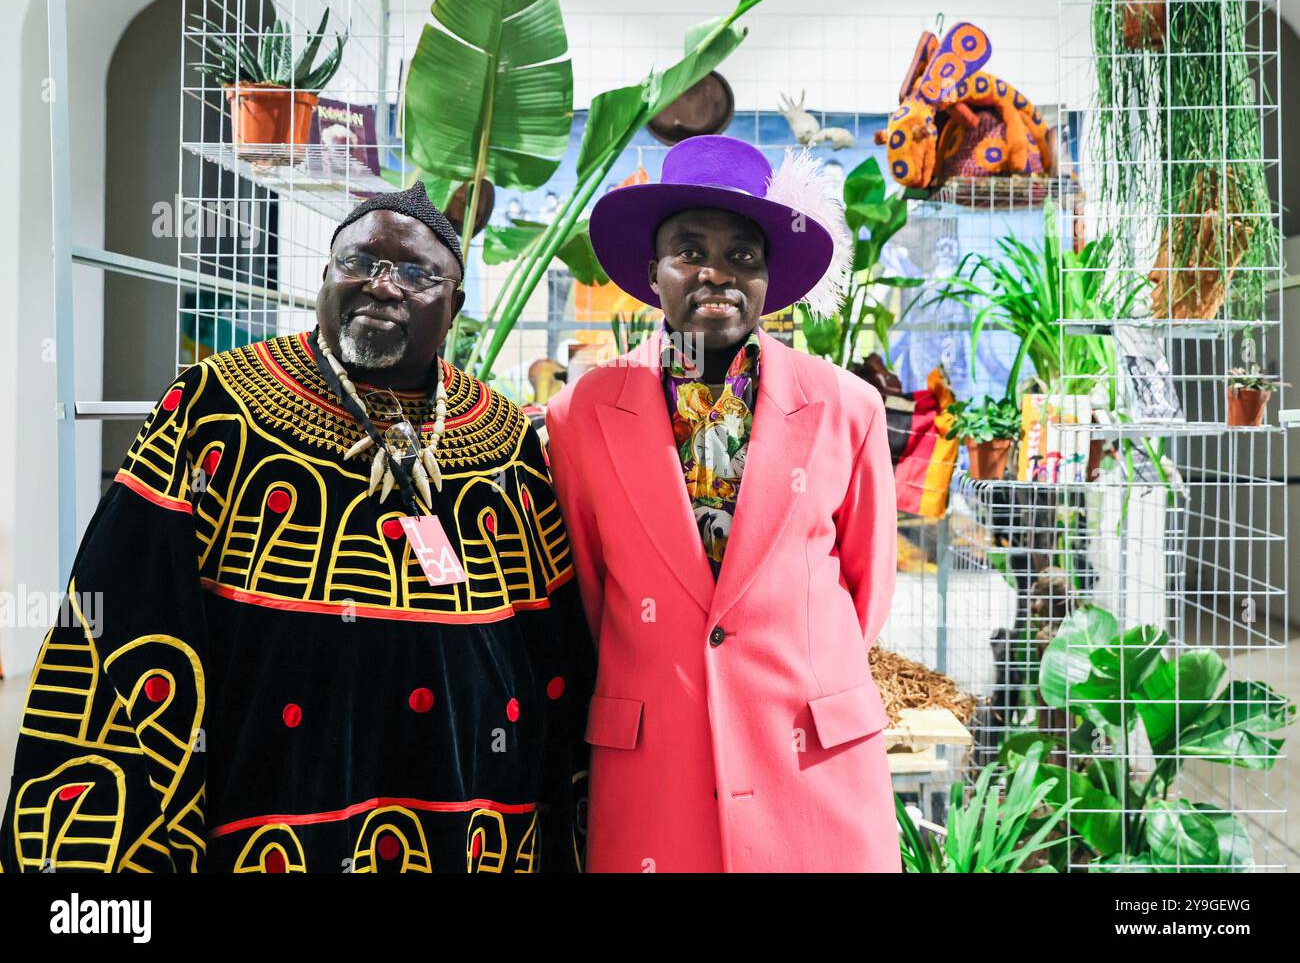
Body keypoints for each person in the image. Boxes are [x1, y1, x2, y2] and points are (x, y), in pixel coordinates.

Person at [1, 182, 592, 873]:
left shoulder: (502, 432)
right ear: (324, 275)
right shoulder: (219, 401)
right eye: (358, 262)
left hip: (470, 796)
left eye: (415, 273)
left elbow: (550, 644)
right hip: (270, 786)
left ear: (455, 305)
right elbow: (127, 606)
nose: (382, 286)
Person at [545, 135, 900, 872]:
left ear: (769, 277)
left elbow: (867, 589)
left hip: (810, 761)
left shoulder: (846, 408)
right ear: (652, 273)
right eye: (689, 251)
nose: (716, 273)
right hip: (657, 764)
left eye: (743, 255)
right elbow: (591, 589)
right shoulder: (582, 414)